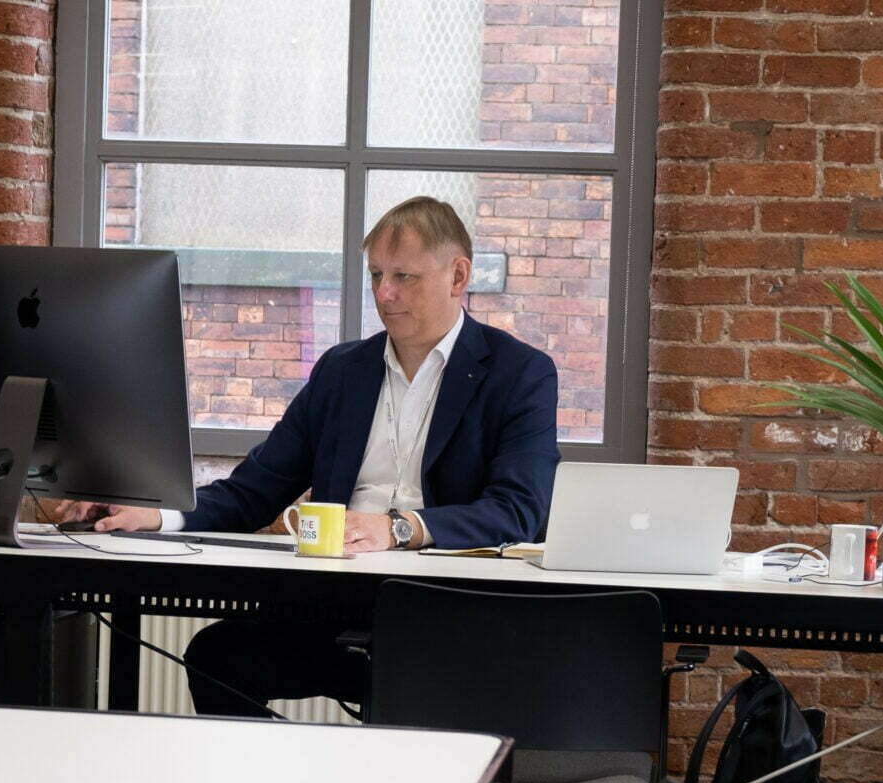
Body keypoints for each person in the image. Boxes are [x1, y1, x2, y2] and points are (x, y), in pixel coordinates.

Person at [58, 196, 559, 718]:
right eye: (376, 275)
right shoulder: (342, 371)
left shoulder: (519, 373)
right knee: (217, 656)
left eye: (405, 277)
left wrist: (401, 527)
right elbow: (254, 491)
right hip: (332, 603)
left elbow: (517, 510)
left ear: (458, 277)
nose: (385, 294)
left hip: (447, 616)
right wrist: (158, 514)